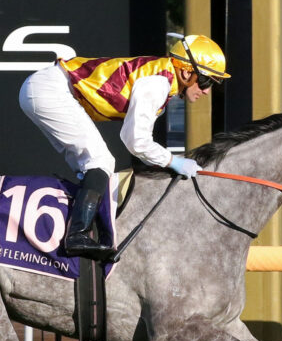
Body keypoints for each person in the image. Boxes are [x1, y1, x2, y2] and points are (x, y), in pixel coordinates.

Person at [19, 34, 230, 261]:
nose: (207, 91)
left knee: (92, 168)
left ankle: (82, 225)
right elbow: (136, 141)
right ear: (187, 72)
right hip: (51, 90)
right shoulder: (158, 83)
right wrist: (173, 160)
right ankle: (77, 235)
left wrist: (168, 160)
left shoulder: (163, 79)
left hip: (47, 89)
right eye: (206, 81)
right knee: (100, 161)